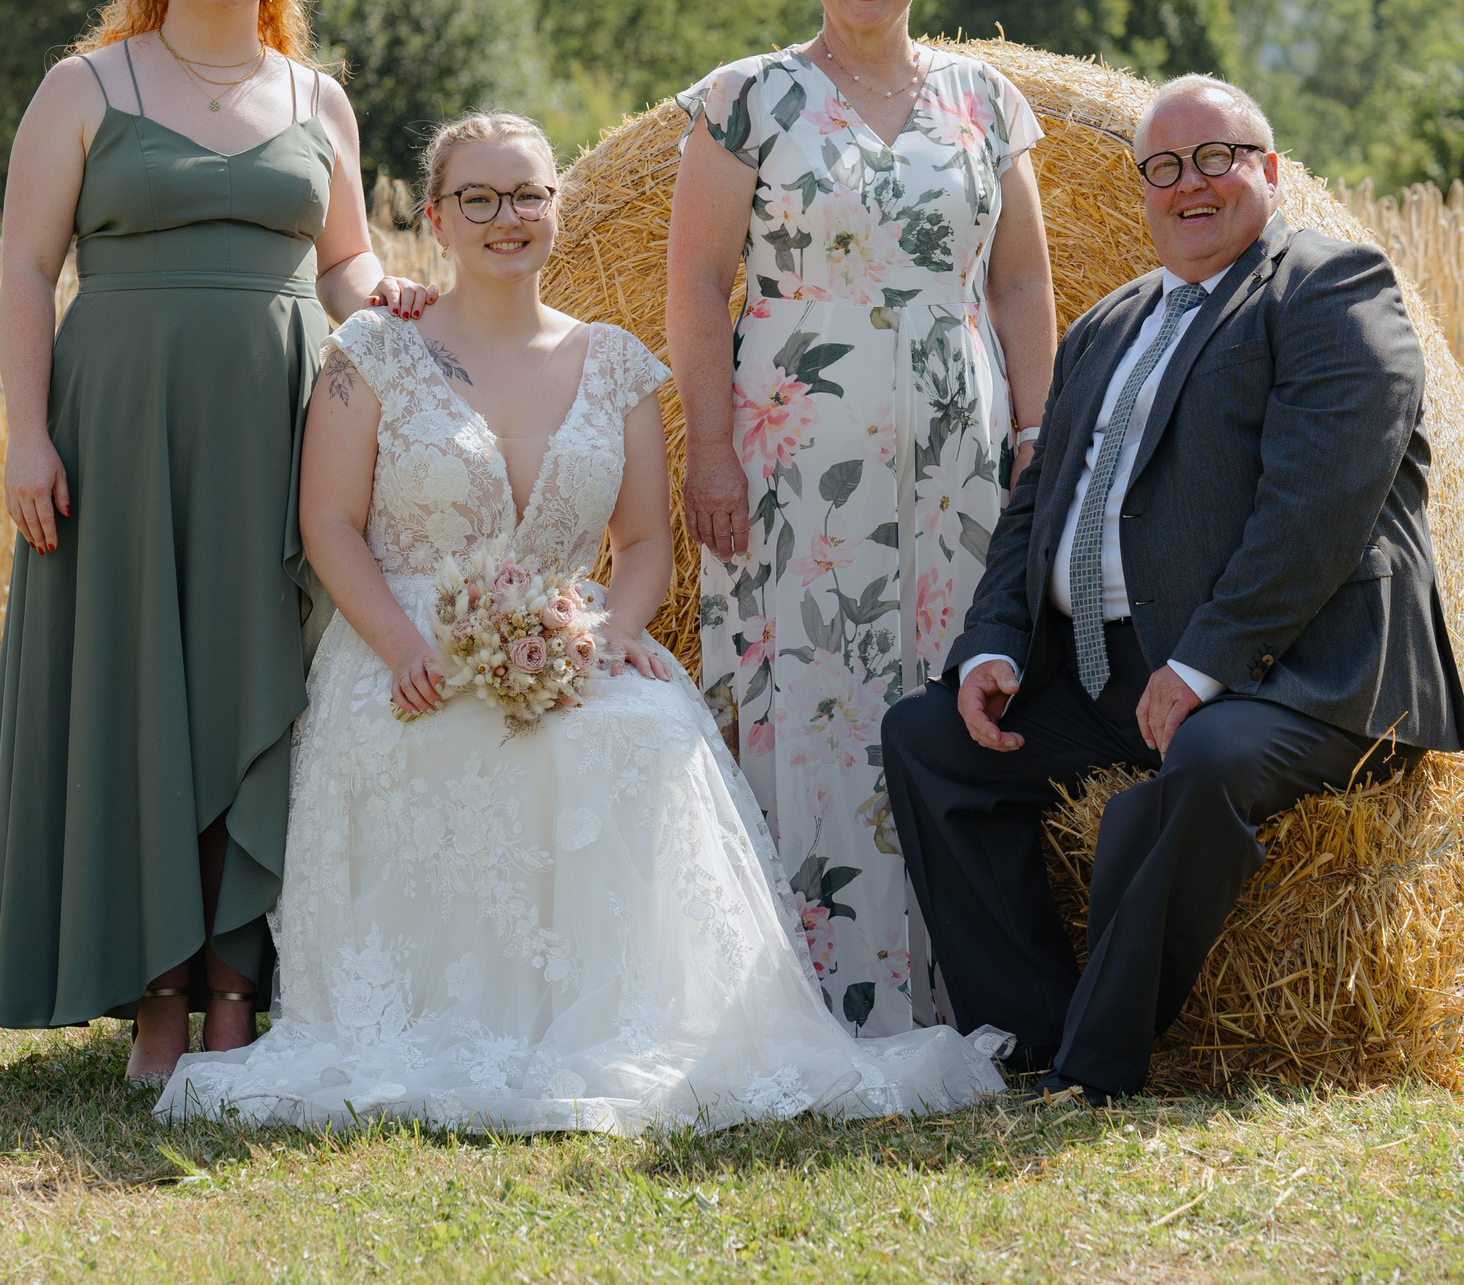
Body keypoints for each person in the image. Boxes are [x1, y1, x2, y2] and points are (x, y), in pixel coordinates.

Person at [151, 114, 1010, 1134]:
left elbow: (645, 542)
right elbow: (327, 524)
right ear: (436, 217)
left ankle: (629, 1025)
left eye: (527, 195)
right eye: (478, 197)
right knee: (452, 736)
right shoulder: (373, 350)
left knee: (642, 734)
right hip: (404, 642)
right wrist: (402, 645)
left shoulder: (613, 362)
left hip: (570, 633)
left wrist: (606, 637)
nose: (506, 218)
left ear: (558, 208)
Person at [880, 74, 1464, 1105]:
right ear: (1142, 188)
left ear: (1270, 171)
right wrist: (995, 644)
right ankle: (1033, 1032)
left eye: (1218, 158)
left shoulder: (1329, 288)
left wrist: (1203, 664)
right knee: (928, 740)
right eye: (1163, 166)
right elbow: (1039, 503)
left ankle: (1096, 1066)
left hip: (1302, 673)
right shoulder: (1108, 324)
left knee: (1201, 763)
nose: (1188, 185)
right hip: (1117, 671)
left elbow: (1318, 505)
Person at [0, 0, 435, 1083]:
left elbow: (342, 265)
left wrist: (391, 296)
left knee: (258, 682)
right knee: (135, 689)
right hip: (118, 428)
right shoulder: (84, 85)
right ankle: (157, 995)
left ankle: (238, 990)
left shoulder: (315, 100)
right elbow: (24, 270)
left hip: (280, 426)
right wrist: (26, 434)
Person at [664, 0, 1057, 1037]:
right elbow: (693, 285)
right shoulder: (745, 99)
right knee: (813, 695)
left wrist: (1037, 437)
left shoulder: (987, 102)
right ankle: (809, 997)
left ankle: (967, 990)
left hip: (959, 451)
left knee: (950, 687)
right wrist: (712, 451)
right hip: (798, 450)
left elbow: (1024, 288)